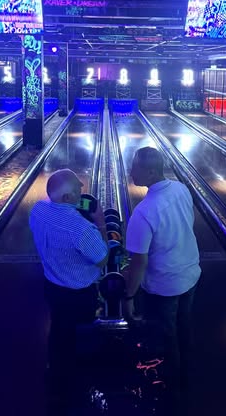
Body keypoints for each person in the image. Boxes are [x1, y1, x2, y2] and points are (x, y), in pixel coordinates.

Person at [123, 147, 201, 414]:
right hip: (189, 275)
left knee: (166, 340)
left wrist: (129, 297)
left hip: (163, 287)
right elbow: (186, 226)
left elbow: (139, 263)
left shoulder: (143, 213)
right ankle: (187, 379)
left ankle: (172, 395)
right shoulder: (181, 189)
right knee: (184, 328)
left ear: (150, 172)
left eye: (135, 167)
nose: (130, 172)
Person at [29, 169, 109, 411]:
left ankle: (56, 377)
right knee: (82, 336)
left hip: (52, 286)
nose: (82, 188)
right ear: (67, 197)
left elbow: (54, 213)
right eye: (77, 188)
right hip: (80, 295)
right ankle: (79, 387)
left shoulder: (37, 211)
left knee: (59, 329)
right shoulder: (81, 229)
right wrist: (100, 222)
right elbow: (102, 259)